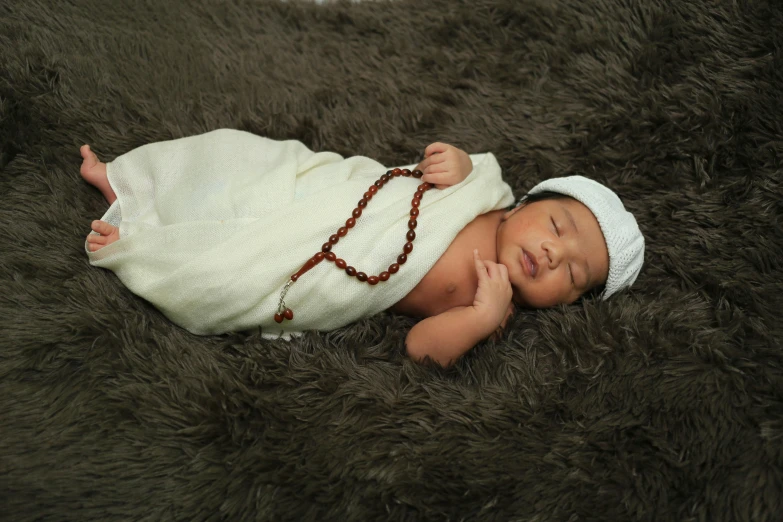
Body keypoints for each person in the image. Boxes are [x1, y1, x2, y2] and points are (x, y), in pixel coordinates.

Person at [80, 130, 644, 366]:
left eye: (573, 275)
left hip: (336, 261)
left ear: (567, 304)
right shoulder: (486, 190)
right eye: (557, 226)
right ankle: (132, 181)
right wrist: (459, 162)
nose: (553, 255)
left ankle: (148, 245)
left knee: (245, 267)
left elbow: (422, 348)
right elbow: (441, 167)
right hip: (339, 192)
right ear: (525, 204)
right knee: (248, 163)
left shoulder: (495, 307)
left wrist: (476, 319)